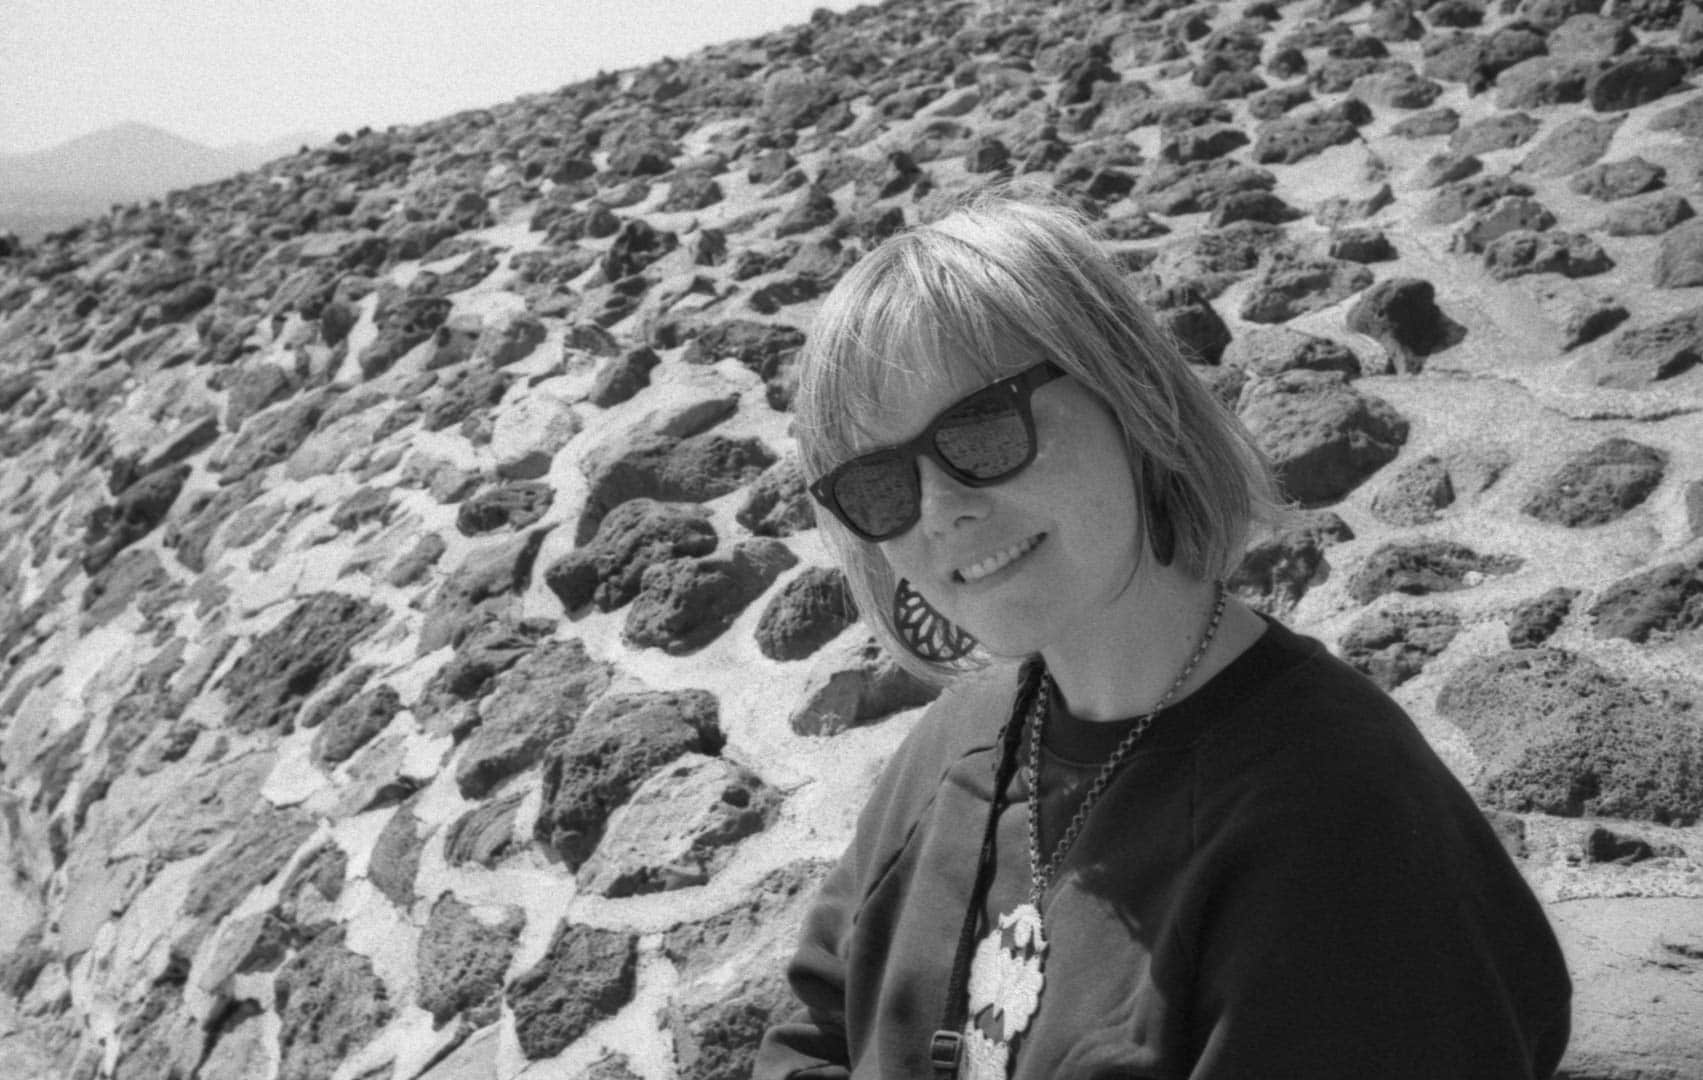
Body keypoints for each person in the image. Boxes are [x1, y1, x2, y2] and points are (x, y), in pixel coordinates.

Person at [754, 192, 1571, 1080]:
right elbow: (813, 1028)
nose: (941, 511)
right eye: (877, 485)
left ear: (1129, 393)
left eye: (982, 431)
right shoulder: (955, 743)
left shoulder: (1341, 836)